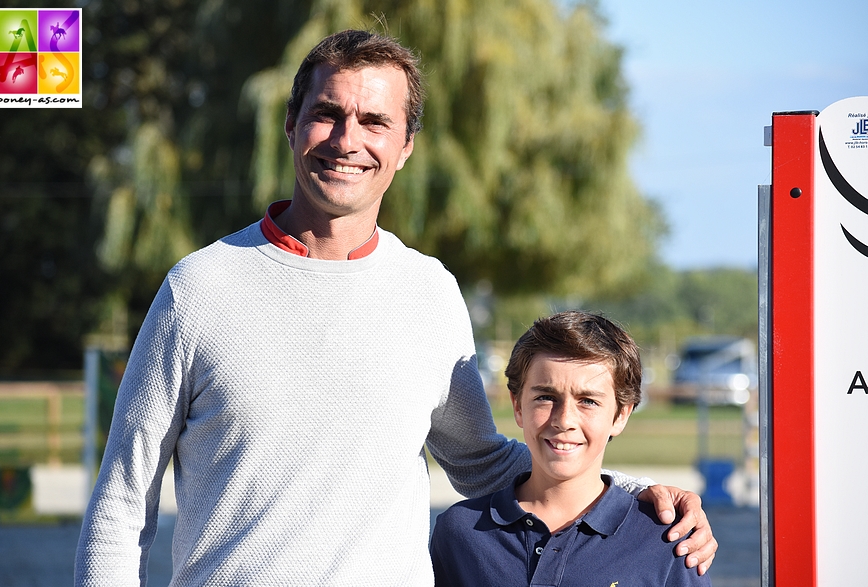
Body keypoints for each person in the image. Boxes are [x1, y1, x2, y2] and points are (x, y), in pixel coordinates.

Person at [75, 30, 716, 586]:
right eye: (327, 113)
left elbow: (483, 461)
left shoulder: (430, 292)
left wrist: (630, 496)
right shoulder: (200, 288)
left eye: (375, 121)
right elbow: (122, 506)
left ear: (405, 146)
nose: (347, 139)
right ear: (291, 126)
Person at [430, 311, 712, 586]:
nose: (564, 420)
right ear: (517, 406)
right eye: (545, 397)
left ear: (621, 415)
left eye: (588, 401)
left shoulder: (665, 538)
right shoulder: (459, 532)